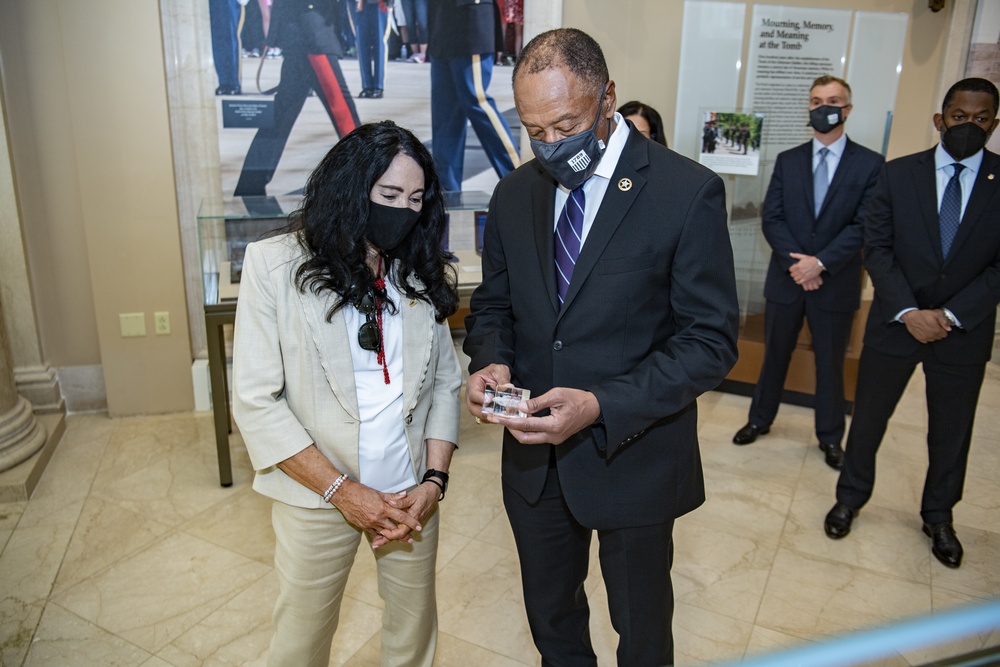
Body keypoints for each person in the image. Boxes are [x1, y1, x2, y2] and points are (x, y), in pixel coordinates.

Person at [463, 28, 739, 666]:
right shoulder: (514, 195)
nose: (551, 146)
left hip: (635, 458)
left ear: (607, 98)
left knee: (642, 632)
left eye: (566, 125)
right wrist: (491, 360)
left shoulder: (685, 192)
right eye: (535, 130)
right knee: (552, 622)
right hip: (534, 467)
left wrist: (601, 405)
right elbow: (494, 306)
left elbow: (709, 341)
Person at [232, 120, 462, 665]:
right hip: (318, 495)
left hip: (410, 493)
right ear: (350, 187)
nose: (402, 211)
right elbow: (257, 401)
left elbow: (446, 384)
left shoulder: (415, 269)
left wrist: (434, 480)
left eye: (414, 198)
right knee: (299, 643)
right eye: (388, 195)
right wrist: (343, 491)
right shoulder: (273, 266)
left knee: (413, 639)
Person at [824, 77, 1000, 569]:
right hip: (896, 323)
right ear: (940, 119)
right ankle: (850, 497)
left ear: (995, 123)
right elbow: (876, 248)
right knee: (870, 421)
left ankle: (939, 515)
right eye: (960, 116)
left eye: (981, 118)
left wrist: (948, 315)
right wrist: (909, 310)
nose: (970, 125)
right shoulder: (897, 174)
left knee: (951, 430)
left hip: (963, 331)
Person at [732, 75, 883, 471]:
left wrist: (821, 262)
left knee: (830, 364)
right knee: (774, 356)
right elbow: (773, 218)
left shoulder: (870, 164)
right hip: (787, 279)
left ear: (847, 109)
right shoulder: (789, 160)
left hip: (835, 282)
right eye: (816, 101)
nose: (823, 107)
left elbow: (864, 224)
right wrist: (798, 265)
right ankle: (759, 419)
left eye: (833, 101)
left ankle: (831, 437)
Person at [234, 0, 360, 196]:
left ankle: (249, 186)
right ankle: (369, 175)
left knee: (281, 115)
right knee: (343, 113)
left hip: (300, 32)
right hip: (311, 33)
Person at [426, 0, 520, 192]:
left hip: (469, 21)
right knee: (445, 114)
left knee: (477, 101)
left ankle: (519, 176)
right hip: (442, 24)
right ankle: (447, 190)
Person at [351, 0, 389, 98]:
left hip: (380, 3)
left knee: (380, 44)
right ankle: (366, 85)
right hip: (357, 4)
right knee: (361, 43)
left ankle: (378, 85)